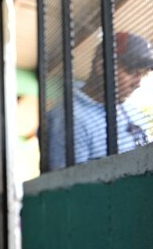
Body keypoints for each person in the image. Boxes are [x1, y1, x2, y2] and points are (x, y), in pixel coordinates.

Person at [45, 31, 153, 170]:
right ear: (103, 66)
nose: (137, 83)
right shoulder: (69, 120)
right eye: (132, 72)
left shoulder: (130, 110)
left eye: (142, 75)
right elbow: (69, 186)